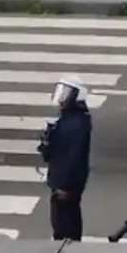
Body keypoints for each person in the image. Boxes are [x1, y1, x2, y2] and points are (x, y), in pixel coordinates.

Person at [37, 77, 91, 241]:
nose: (62, 98)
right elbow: (50, 153)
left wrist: (65, 186)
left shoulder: (77, 124)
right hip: (60, 181)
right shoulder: (69, 119)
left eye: (66, 94)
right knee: (62, 223)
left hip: (66, 186)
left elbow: (74, 158)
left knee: (65, 227)